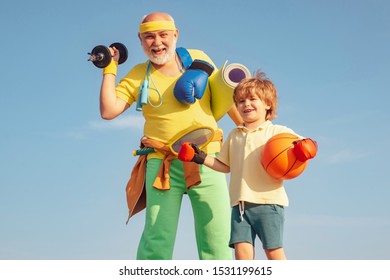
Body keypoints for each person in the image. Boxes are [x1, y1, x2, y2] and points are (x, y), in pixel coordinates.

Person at [98, 12, 236, 260]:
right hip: (162, 163)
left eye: (163, 34)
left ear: (175, 35)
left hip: (207, 159)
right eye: (149, 37)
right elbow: (108, 110)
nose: (157, 42)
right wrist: (110, 67)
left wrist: (248, 128)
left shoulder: (198, 59)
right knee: (157, 239)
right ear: (140, 40)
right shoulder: (139, 74)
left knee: (218, 237)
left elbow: (226, 94)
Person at [178, 70, 318, 260]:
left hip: (269, 202)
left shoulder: (278, 132)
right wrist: (199, 157)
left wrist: (306, 147)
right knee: (242, 254)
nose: (246, 104)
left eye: (252, 99)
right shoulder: (234, 134)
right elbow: (224, 165)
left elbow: (305, 145)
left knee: (273, 251)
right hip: (239, 205)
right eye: (241, 101)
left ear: (268, 104)